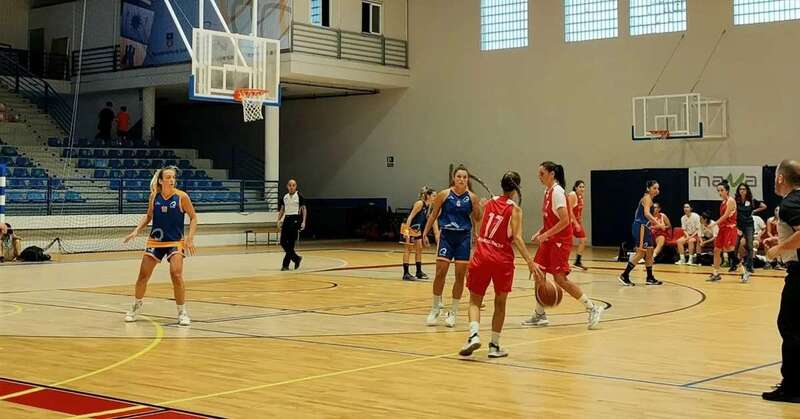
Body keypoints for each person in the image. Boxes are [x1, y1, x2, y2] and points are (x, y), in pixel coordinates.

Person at [459, 171, 542, 358]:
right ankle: (494, 346)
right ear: (517, 188)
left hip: (482, 254)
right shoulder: (515, 210)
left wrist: (481, 207)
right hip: (501, 259)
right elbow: (518, 238)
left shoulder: (489, 202)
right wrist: (530, 262)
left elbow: (479, 224)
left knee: (474, 300)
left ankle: (473, 335)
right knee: (500, 302)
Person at [522, 162, 604, 329]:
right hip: (550, 239)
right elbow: (551, 218)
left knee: (560, 280)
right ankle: (540, 314)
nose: (539, 177)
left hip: (560, 242)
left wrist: (546, 234)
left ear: (552, 174)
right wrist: (541, 231)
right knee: (538, 273)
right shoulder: (547, 191)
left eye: (542, 174)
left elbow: (565, 220)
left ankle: (593, 308)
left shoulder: (558, 192)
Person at [123, 166, 198, 326]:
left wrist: (190, 238)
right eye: (168, 177)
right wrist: (136, 230)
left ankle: (182, 311)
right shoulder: (154, 196)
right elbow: (149, 216)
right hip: (156, 240)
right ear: (161, 180)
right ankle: (136, 306)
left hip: (175, 241)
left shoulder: (181, 197)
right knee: (143, 275)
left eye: (173, 177)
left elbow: (193, 217)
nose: (172, 180)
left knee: (176, 275)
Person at [422, 164, 481, 328]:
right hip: (447, 236)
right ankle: (435, 308)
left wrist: (478, 206)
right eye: (459, 176)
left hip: (463, 238)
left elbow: (477, 217)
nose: (462, 179)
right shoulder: (444, 194)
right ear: (454, 178)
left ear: (467, 180)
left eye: (464, 177)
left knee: (460, 275)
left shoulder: (473, 197)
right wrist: (425, 233)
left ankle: (453, 312)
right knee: (440, 272)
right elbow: (433, 214)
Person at [762, 159, 800, 403]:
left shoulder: (790, 202)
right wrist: (779, 242)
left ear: (780, 178)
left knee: (789, 326)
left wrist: (778, 250)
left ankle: (793, 388)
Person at [618, 180, 665, 286]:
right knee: (641, 252)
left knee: (650, 252)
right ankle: (624, 275)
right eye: (654, 188)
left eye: (658, 188)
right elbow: (647, 214)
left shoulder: (647, 199)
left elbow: (638, 214)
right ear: (648, 188)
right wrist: (658, 223)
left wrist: (650, 225)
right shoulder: (647, 198)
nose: (657, 190)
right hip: (641, 227)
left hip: (644, 227)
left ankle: (650, 277)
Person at [401, 187, 438, 280]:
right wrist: (406, 233)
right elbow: (410, 218)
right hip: (409, 228)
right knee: (408, 249)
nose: (435, 197)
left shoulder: (428, 206)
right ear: (428, 196)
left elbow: (425, 221)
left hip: (417, 229)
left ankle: (418, 272)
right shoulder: (419, 203)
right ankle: (405, 273)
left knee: (419, 249)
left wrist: (424, 235)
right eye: (434, 196)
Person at [707, 180, 739, 282]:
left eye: (722, 190)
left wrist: (714, 223)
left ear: (727, 191)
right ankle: (716, 273)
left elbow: (725, 216)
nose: (720, 192)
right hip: (723, 229)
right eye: (718, 190)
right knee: (716, 250)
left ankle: (745, 270)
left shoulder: (731, 201)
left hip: (730, 228)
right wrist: (717, 225)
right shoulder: (723, 202)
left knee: (730, 250)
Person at [734, 183, 767, 281]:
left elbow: (764, 206)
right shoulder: (736, 201)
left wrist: (754, 211)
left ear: (747, 190)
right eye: (740, 189)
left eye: (744, 189)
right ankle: (735, 264)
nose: (742, 191)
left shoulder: (752, 201)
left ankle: (749, 266)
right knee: (735, 245)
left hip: (748, 225)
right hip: (739, 225)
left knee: (749, 245)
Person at [277, 179, 307, 271]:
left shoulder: (299, 196)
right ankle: (296, 258)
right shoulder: (285, 197)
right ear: (287, 186)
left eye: (293, 185)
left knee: (290, 244)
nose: (291, 187)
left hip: (295, 219)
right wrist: (278, 220)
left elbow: (304, 209)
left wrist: (303, 222)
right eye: (290, 185)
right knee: (282, 241)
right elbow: (282, 210)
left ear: (296, 186)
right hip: (287, 219)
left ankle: (285, 265)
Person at [568, 180, 588, 270]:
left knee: (583, 240)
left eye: (583, 187)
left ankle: (577, 261)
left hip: (576, 221)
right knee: (568, 243)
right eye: (580, 187)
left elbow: (578, 210)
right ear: (575, 187)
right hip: (569, 222)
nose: (582, 188)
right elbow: (569, 210)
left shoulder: (581, 196)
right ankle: (562, 262)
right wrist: (575, 223)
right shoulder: (572, 195)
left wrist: (580, 218)